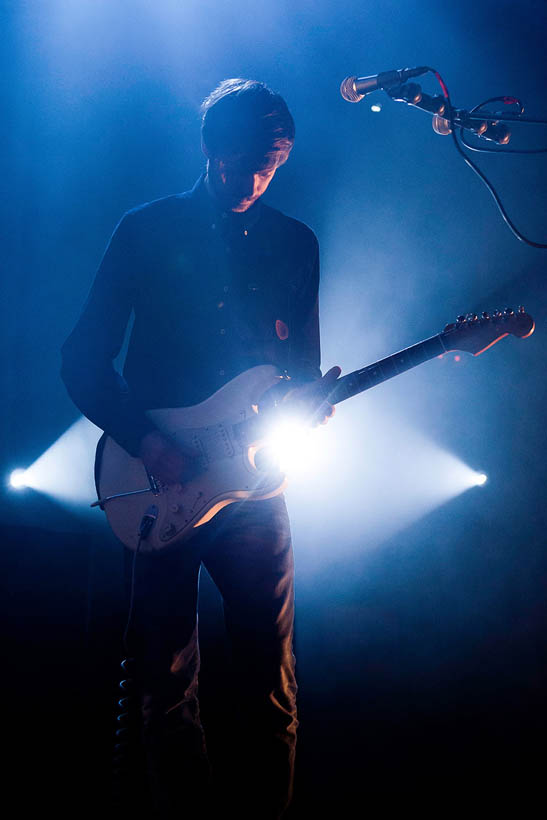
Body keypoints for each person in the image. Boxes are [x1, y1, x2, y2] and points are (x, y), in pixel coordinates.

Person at [61, 78, 339, 819]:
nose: (251, 180)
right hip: (157, 479)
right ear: (208, 149)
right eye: (238, 161)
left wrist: (310, 407)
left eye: (270, 162)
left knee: (271, 684)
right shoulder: (145, 230)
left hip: (257, 487)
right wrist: (145, 439)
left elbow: (300, 376)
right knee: (163, 680)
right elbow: (81, 360)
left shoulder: (294, 243)